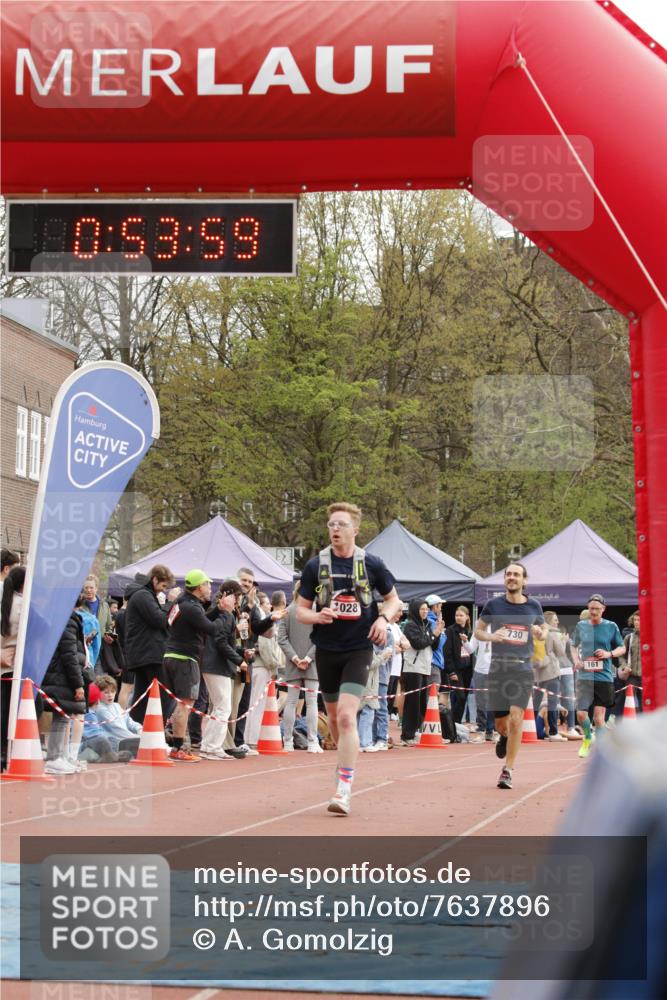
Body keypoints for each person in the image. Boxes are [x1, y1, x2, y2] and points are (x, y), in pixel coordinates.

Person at [297, 502, 400, 815]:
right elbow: (300, 611)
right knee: (336, 723)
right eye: (331, 524)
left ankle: (344, 788)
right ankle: (344, 759)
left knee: (345, 716)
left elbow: (394, 600)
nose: (335, 530)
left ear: (355, 530)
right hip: (327, 650)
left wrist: (382, 619)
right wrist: (318, 616)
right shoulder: (315, 566)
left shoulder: (372, 564)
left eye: (341, 524)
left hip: (359, 649)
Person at [475, 562, 547, 790]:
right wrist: (491, 637)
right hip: (498, 669)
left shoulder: (534, 606)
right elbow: (477, 631)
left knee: (517, 718)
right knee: (501, 724)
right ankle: (504, 737)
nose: (512, 577)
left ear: (524, 580)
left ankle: (508, 770)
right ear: (505, 579)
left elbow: (544, 630)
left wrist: (540, 633)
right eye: (509, 574)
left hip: (522, 669)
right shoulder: (493, 605)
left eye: (517, 574)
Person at [163, 568, 221, 762]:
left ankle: (173, 744)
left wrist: (218, 610)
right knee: (185, 704)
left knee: (176, 703)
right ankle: (178, 748)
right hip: (185, 658)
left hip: (171, 655)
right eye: (207, 584)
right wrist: (226, 615)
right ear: (199, 586)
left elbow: (200, 621)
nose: (210, 587)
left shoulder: (181, 603)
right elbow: (210, 628)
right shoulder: (192, 607)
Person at [199, 579, 250, 761]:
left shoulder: (219, 613)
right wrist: (239, 660)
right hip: (216, 666)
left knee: (220, 707)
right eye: (237, 597)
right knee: (223, 707)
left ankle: (209, 745)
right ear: (230, 596)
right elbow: (221, 642)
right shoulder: (225, 615)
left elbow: (222, 641)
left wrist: (240, 653)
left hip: (212, 664)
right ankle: (211, 747)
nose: (238, 601)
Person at [571, 594, 625, 758]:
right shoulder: (581, 626)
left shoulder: (611, 626)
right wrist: (576, 660)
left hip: (603, 677)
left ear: (603, 609)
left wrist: (609, 654)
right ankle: (588, 737)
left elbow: (622, 648)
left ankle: (602, 751)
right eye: (591, 608)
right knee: (581, 714)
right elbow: (573, 646)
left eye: (596, 609)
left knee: (599, 718)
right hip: (584, 676)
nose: (593, 612)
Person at [124, 565, 180, 724]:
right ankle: (156, 730)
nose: (163, 590)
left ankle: (137, 729)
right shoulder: (143, 595)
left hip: (144, 653)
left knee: (143, 696)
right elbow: (160, 620)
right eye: (163, 586)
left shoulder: (144, 595)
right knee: (164, 694)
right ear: (154, 579)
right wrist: (170, 602)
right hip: (149, 654)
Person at [41, 599, 89, 774]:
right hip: (61, 674)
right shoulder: (68, 620)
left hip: (60, 673)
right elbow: (69, 654)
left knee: (63, 716)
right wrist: (78, 684)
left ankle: (60, 756)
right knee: (61, 717)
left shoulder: (65, 618)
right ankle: (54, 758)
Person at [277, 582, 321, 753]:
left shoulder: (288, 611)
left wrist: (295, 658)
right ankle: (312, 741)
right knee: (312, 703)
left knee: (291, 702)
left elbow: (282, 638)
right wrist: (308, 658)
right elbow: (322, 638)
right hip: (312, 663)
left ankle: (288, 740)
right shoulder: (316, 611)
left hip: (292, 663)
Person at [401, 599, 443, 745]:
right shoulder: (410, 625)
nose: (425, 612)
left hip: (425, 667)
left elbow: (434, 646)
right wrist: (434, 634)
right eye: (422, 609)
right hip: (413, 668)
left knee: (421, 703)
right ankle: (407, 734)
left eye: (426, 609)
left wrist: (437, 633)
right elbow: (418, 643)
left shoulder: (428, 624)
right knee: (412, 702)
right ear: (415, 610)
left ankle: (415, 731)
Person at [1, 565, 25, 770]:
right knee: (11, 709)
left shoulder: (5, 601)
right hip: (14, 662)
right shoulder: (22, 604)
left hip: (3, 661)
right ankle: (8, 751)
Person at [535, 611, 567, 741]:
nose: (557, 622)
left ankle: (529, 728)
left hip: (537, 671)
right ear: (549, 621)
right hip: (551, 671)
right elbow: (561, 652)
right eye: (555, 619)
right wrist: (563, 641)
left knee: (535, 702)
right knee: (553, 702)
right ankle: (553, 732)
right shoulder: (553, 633)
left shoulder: (535, 631)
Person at [444, 605, 474, 724]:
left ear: (467, 617)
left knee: (464, 698)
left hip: (467, 669)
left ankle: (457, 724)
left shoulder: (469, 631)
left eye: (461, 615)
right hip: (456, 669)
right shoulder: (450, 630)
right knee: (460, 697)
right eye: (457, 615)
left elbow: (472, 651)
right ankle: (452, 723)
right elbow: (447, 652)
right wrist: (451, 671)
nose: (458, 617)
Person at [82, 575, 112, 670]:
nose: (88, 590)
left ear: (96, 588)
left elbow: (109, 626)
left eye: (91, 587)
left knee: (98, 676)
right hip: (84, 649)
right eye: (86, 587)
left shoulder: (104, 605)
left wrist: (108, 635)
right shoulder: (80, 605)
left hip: (100, 649)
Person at [617, 610, 642, 713]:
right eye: (635, 620)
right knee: (630, 703)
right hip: (632, 676)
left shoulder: (652, 637)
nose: (636, 622)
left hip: (648, 677)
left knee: (646, 704)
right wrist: (624, 666)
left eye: (639, 620)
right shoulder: (629, 637)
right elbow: (621, 655)